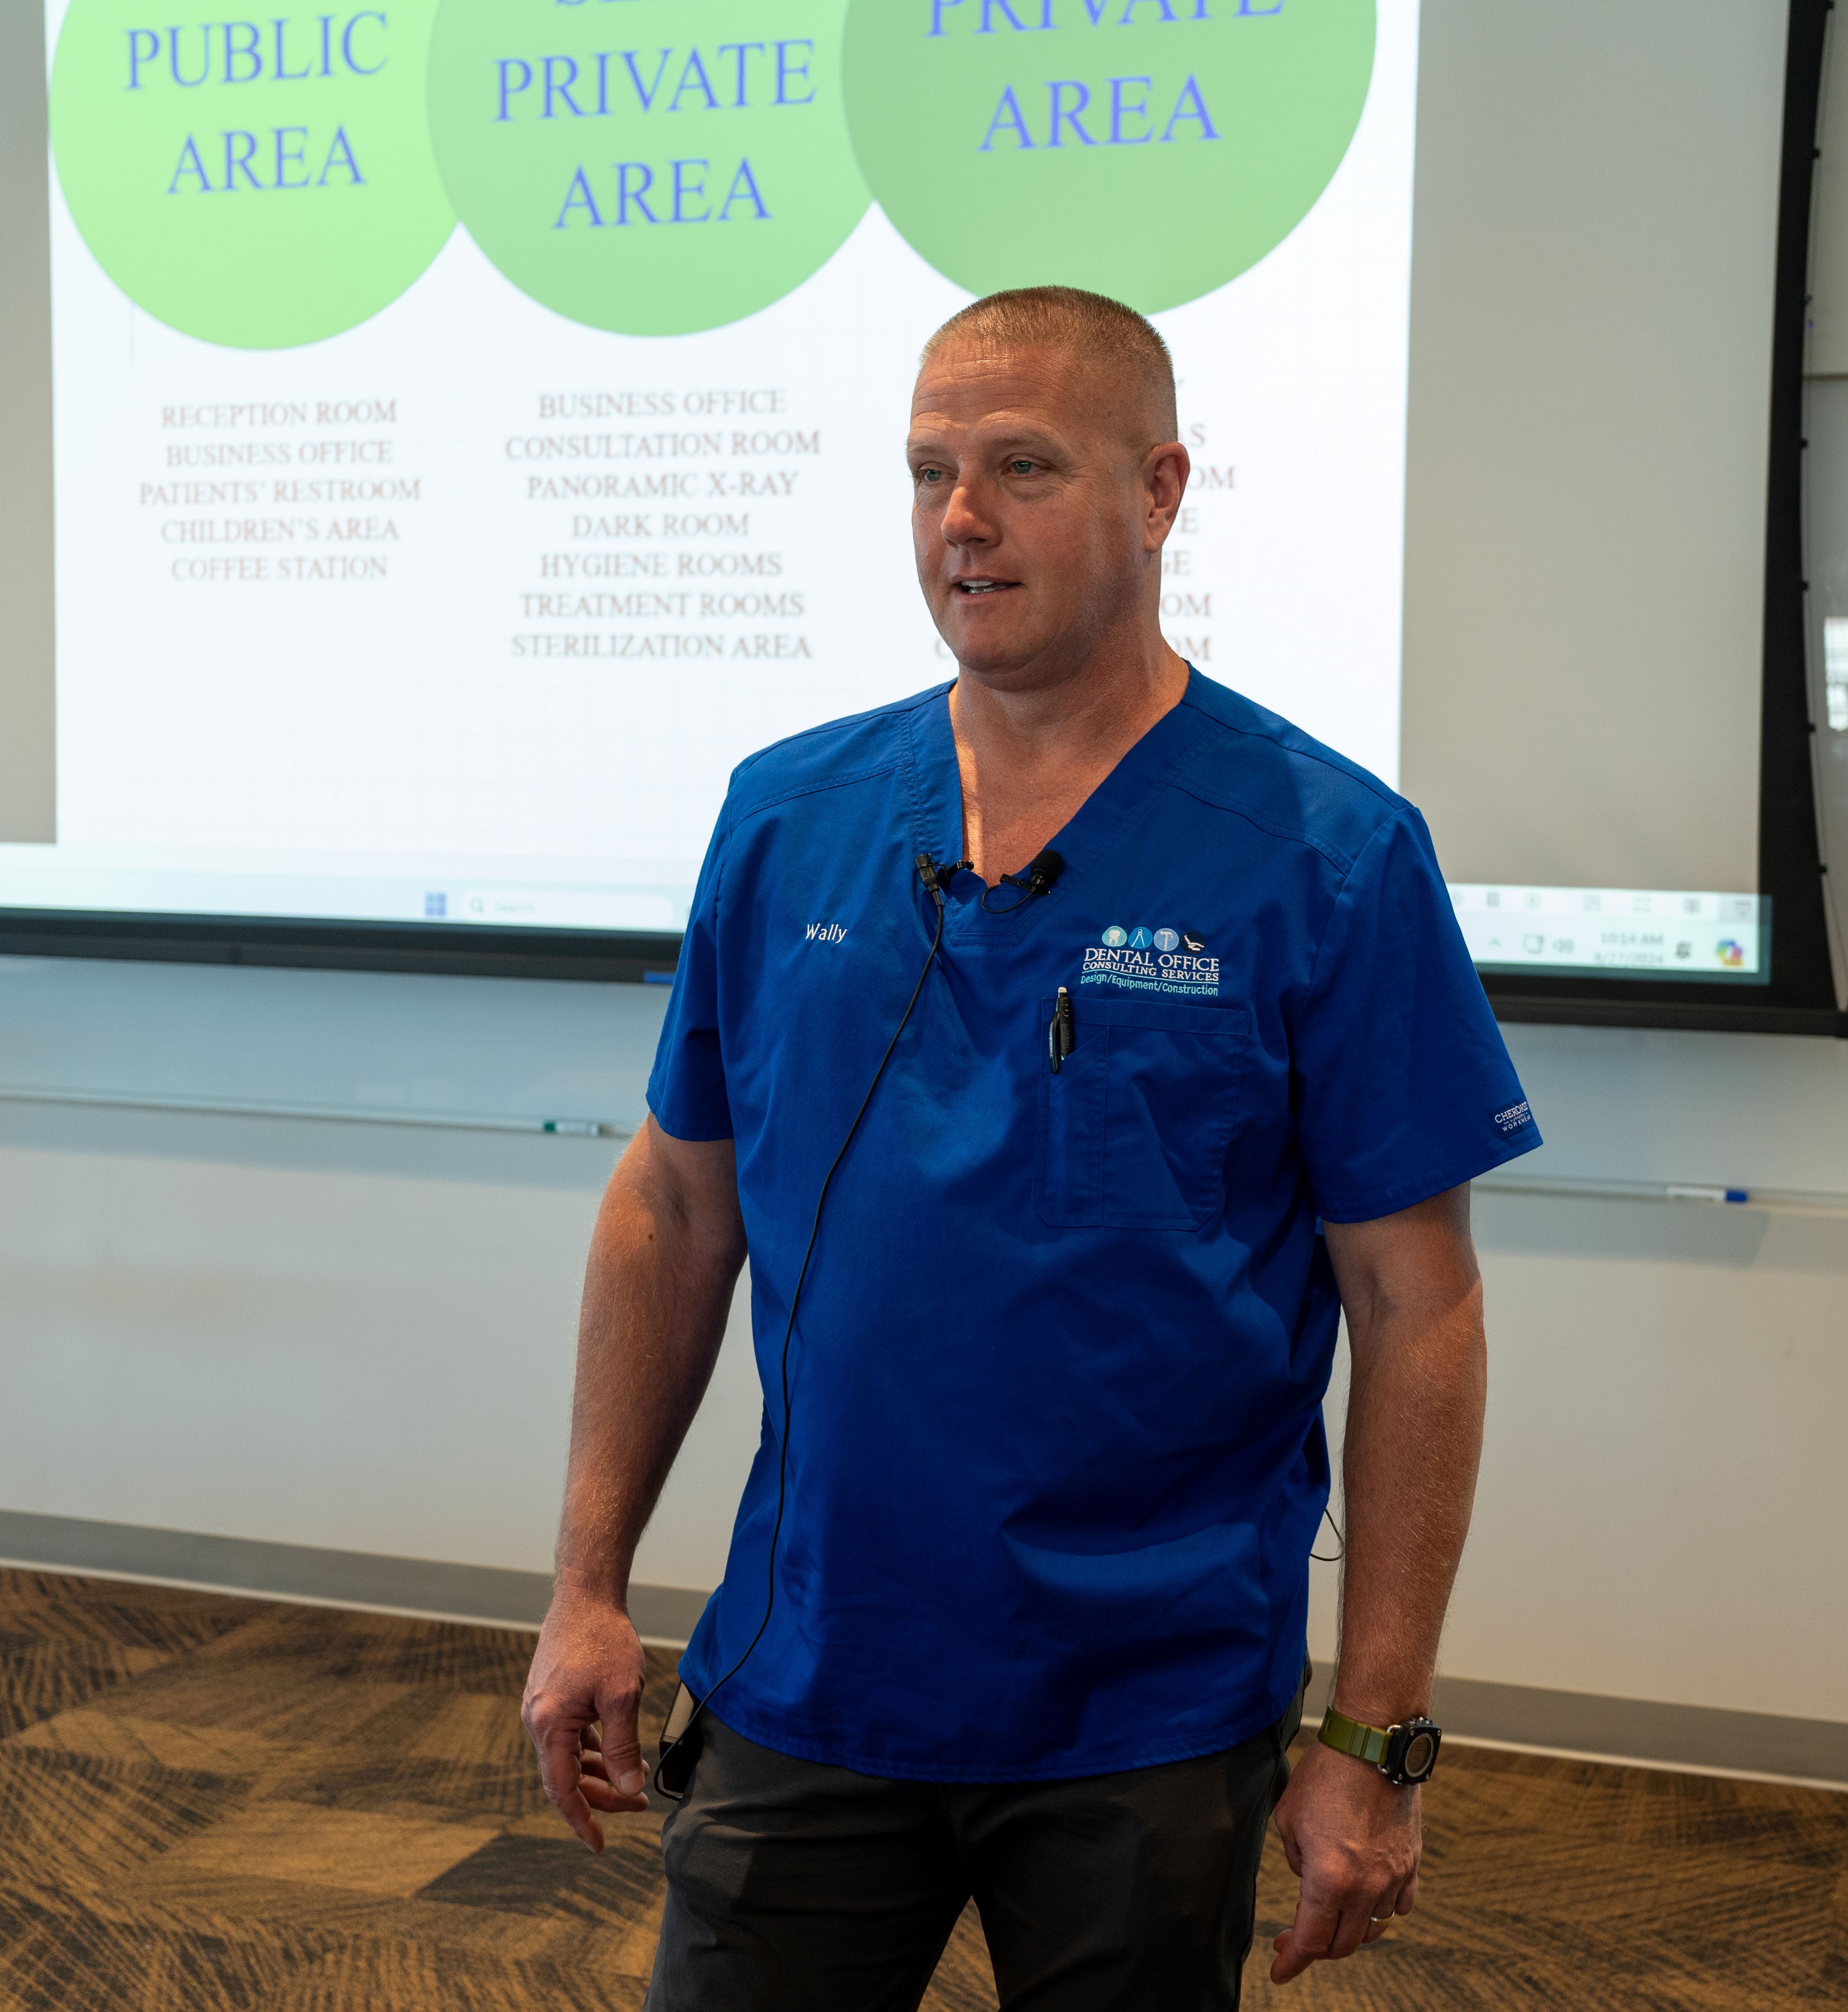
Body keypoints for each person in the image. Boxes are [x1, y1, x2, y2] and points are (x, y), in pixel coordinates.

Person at [519, 286, 1541, 2010]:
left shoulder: (1331, 855)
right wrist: (585, 1584)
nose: (962, 520)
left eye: (1021, 468)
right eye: (929, 473)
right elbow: (676, 1204)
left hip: (1142, 1704)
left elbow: (1415, 1304)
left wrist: (1376, 1730)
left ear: (1159, 492)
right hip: (814, 1670)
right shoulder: (790, 816)